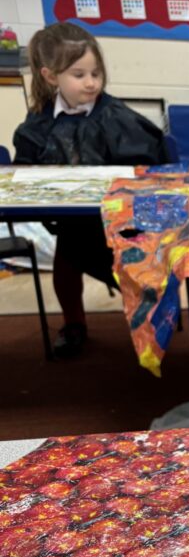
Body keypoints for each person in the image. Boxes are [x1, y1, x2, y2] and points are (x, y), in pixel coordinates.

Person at [13, 23, 166, 359]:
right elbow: (25, 170)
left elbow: (151, 165)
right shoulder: (38, 123)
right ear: (51, 76)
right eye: (79, 74)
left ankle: (147, 321)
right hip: (73, 223)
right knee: (66, 258)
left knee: (137, 268)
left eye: (96, 73)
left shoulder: (117, 117)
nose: (91, 82)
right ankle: (74, 323)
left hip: (121, 224)